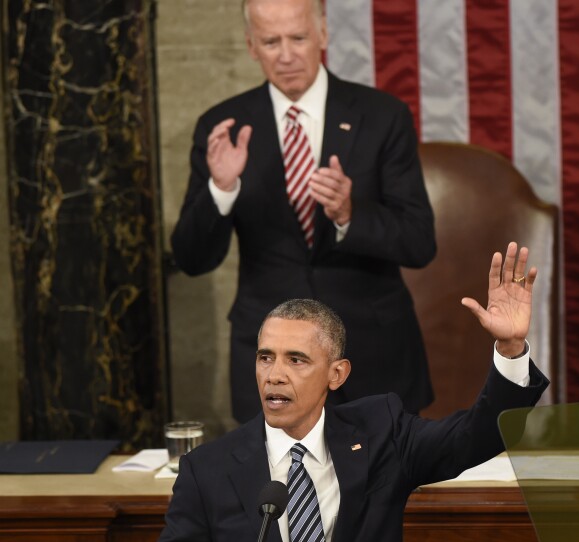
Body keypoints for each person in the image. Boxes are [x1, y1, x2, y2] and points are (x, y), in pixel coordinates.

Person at [158, 242, 549, 542]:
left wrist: (511, 349)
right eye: (265, 358)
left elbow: (475, 437)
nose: (274, 375)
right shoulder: (206, 471)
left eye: (296, 360)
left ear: (336, 374)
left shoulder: (383, 435)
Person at [170, 0, 436, 423]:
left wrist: (350, 213)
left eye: (298, 38)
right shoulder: (223, 126)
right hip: (270, 365)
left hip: (372, 355)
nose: (287, 54)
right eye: (271, 42)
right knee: (276, 491)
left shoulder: (383, 116)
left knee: (387, 486)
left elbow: (420, 242)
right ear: (251, 46)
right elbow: (191, 257)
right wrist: (221, 190)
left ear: (323, 36)